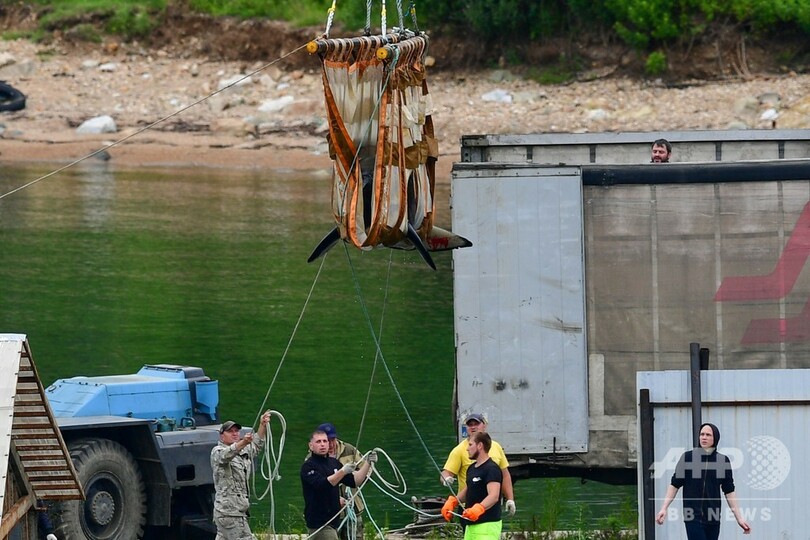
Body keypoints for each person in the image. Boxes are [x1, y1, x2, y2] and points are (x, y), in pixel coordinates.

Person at [655, 422, 752, 540]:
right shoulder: (688, 458)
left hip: (713, 516)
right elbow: (674, 485)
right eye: (702, 434)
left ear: (715, 438)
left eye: (708, 435)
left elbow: (729, 491)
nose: (704, 437)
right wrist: (664, 508)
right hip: (692, 516)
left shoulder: (722, 461)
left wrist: (739, 518)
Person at [301, 429, 377, 540]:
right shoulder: (308, 466)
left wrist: (368, 463)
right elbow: (322, 485)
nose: (322, 444)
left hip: (333, 521)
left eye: (325, 441)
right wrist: (343, 471)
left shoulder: (333, 463)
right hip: (320, 524)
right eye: (318, 442)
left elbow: (355, 481)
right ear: (311, 446)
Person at [440, 413, 516, 516]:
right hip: (467, 507)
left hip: (489, 507)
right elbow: (448, 474)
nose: (473, 427)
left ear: (484, 425)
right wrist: (452, 497)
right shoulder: (460, 452)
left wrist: (510, 499)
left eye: (476, 424)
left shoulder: (495, 450)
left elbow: (505, 476)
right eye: (470, 425)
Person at [210, 411, 271, 540]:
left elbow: (256, 444)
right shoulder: (217, 451)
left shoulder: (243, 450)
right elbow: (226, 456)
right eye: (230, 431)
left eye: (237, 431)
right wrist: (243, 442)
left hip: (233, 512)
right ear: (222, 436)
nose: (235, 433)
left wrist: (262, 425)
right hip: (229, 513)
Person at [441, 432, 503, 540]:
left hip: (487, 525)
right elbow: (470, 489)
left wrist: (479, 508)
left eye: (470, 445)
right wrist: (453, 501)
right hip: (471, 525)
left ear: (480, 446)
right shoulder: (472, 468)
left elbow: (494, 496)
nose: (467, 449)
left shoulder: (491, 468)